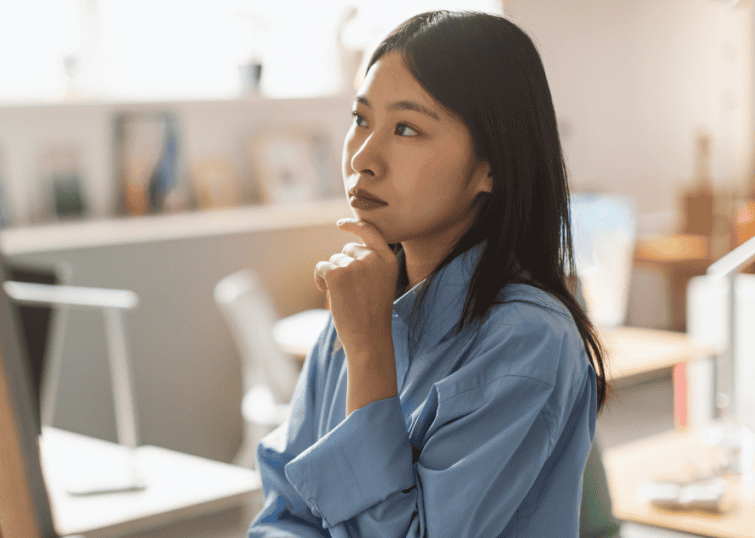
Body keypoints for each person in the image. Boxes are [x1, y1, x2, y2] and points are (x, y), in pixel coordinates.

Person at [248, 10, 609, 537]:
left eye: (408, 128)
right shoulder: (361, 300)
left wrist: (369, 353)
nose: (363, 158)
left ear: (493, 165)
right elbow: (285, 511)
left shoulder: (528, 341)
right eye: (361, 118)